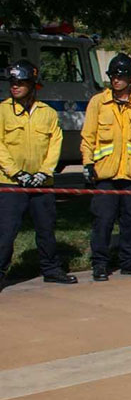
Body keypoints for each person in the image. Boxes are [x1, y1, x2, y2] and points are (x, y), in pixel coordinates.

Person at [0, 60, 77, 290]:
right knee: (6, 231)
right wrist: (16, 172)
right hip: (10, 183)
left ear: (33, 85)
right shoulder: (2, 110)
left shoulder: (48, 113)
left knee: (46, 228)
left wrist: (45, 172)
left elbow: (55, 143)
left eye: (20, 82)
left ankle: (51, 269)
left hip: (43, 183)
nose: (15, 86)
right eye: (12, 82)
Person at [80, 53, 131, 281]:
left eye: (121, 76)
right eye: (113, 76)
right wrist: (88, 163)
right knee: (103, 220)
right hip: (105, 174)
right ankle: (100, 264)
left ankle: (130, 261)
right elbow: (88, 135)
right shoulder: (98, 103)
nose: (116, 80)